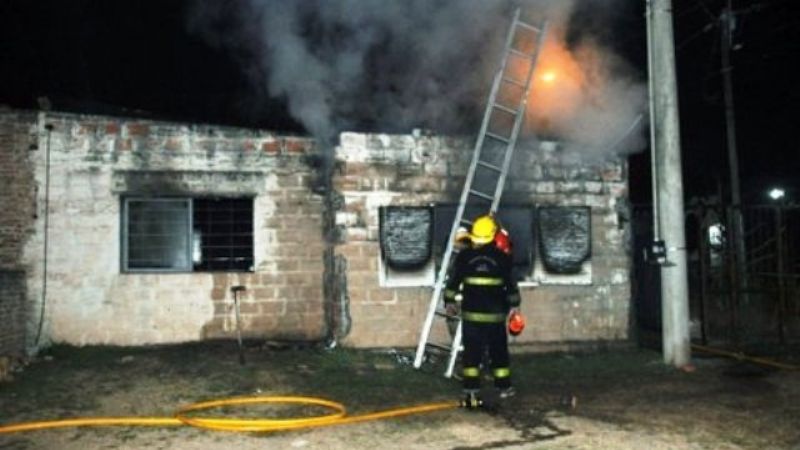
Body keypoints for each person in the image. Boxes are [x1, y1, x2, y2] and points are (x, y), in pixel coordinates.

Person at [443, 214, 521, 405]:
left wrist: (449, 302)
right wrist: (515, 306)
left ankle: (471, 390)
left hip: (471, 317)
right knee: (499, 353)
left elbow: (453, 282)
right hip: (495, 317)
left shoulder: (465, 257)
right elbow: (511, 286)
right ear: (493, 235)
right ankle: (504, 387)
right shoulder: (502, 258)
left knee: (472, 354)